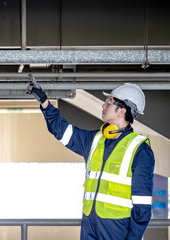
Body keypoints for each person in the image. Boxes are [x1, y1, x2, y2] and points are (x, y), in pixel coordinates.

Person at [27, 79, 155, 240]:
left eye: (109, 101)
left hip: (117, 228)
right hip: (90, 224)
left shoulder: (140, 150)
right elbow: (62, 130)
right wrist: (44, 102)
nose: (103, 105)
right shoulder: (95, 140)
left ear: (123, 110)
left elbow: (142, 204)